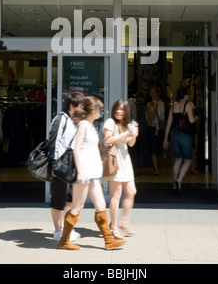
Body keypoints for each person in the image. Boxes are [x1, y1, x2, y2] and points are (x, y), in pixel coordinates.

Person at [57, 96, 126, 251]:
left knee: (101, 205)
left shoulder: (91, 125)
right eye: (99, 109)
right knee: (77, 206)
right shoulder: (83, 125)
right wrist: (80, 172)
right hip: (85, 173)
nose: (101, 112)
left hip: (93, 173)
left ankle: (108, 240)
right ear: (92, 110)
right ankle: (64, 240)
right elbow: (76, 149)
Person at [50, 91, 85, 243]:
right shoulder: (60, 119)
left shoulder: (77, 120)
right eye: (80, 107)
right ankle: (58, 231)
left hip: (72, 164)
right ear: (72, 106)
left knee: (70, 199)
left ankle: (66, 229)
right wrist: (53, 165)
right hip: (60, 164)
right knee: (58, 199)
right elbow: (53, 141)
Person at [102, 99, 138, 239]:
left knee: (131, 191)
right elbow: (107, 140)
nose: (119, 111)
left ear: (126, 112)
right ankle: (113, 226)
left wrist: (133, 136)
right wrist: (125, 134)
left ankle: (124, 221)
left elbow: (131, 144)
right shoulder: (110, 122)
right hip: (114, 160)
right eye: (117, 109)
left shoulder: (127, 124)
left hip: (125, 159)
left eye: (122, 110)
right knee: (116, 195)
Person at [163, 86, 199, 193]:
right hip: (185, 136)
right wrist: (197, 117)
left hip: (174, 135)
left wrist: (166, 139)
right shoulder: (188, 105)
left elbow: (168, 125)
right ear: (185, 95)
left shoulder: (173, 107)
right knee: (188, 159)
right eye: (188, 93)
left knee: (178, 159)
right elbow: (191, 120)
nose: (189, 95)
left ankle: (175, 183)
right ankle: (179, 181)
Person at [145, 86, 165, 175]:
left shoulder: (162, 103)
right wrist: (155, 108)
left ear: (158, 93)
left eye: (153, 92)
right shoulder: (149, 104)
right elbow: (150, 117)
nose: (152, 94)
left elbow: (163, 118)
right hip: (152, 128)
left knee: (159, 149)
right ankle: (156, 168)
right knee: (153, 149)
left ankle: (156, 165)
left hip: (160, 128)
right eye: (151, 92)